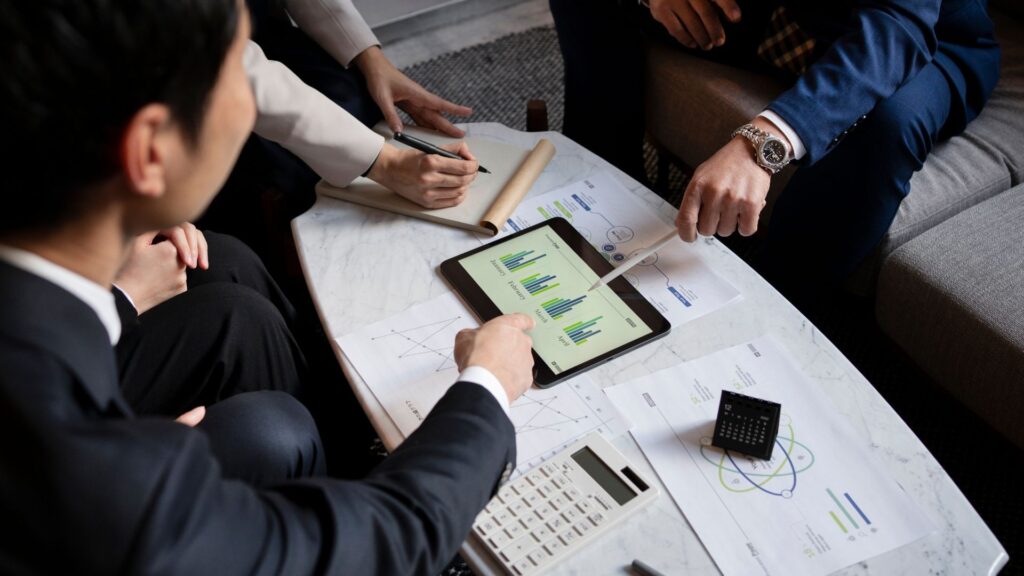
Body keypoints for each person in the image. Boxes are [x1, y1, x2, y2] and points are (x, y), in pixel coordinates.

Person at [0, 1, 536, 573]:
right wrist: (487, 390)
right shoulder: (103, 480)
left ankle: (353, 460)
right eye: (237, 72)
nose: (256, 86)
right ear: (149, 151)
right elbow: (382, 540)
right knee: (270, 431)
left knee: (223, 262)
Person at [550, 0, 1000, 305]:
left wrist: (760, 143)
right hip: (775, 13)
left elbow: (898, 23)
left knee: (887, 128)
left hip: (916, 37)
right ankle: (591, 194)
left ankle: (770, 307)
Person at [203, 0, 482, 260]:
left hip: (255, 25)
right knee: (283, 168)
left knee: (358, 98)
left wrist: (370, 58)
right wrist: (386, 163)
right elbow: (227, 67)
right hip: (197, 58)